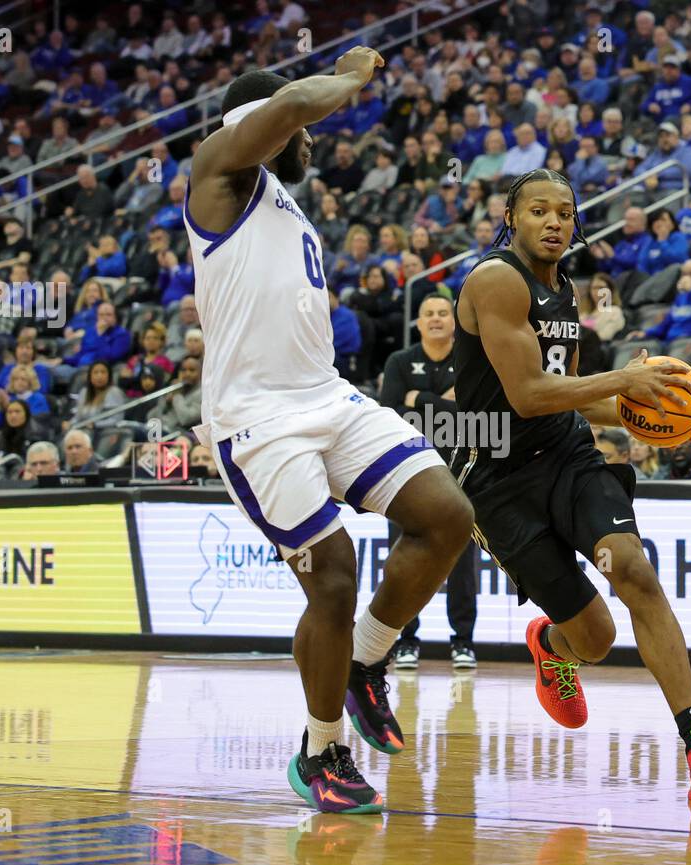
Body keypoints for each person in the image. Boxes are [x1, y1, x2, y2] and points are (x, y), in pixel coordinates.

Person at [183, 54, 474, 814]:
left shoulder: (281, 199)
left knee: (446, 516)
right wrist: (345, 76)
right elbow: (294, 109)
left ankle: (366, 662)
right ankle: (322, 750)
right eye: (297, 130)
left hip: (328, 399)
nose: (309, 141)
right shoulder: (218, 169)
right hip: (259, 422)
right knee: (334, 575)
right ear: (260, 124)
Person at [450, 167, 691, 801]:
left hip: (568, 458)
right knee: (596, 638)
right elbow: (530, 395)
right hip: (498, 479)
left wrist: (662, 420)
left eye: (566, 212)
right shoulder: (495, 280)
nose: (555, 222)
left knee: (635, 573)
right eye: (539, 211)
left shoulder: (564, 287)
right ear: (512, 219)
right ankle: (552, 645)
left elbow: (571, 401)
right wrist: (621, 382)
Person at [378, 293, 480, 670]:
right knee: (404, 562)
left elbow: (474, 415)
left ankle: (463, 641)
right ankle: (405, 641)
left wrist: (419, 398)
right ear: (418, 323)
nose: (436, 319)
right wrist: (444, 404)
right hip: (408, 475)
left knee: (463, 564)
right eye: (428, 314)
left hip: (461, 473)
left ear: (454, 321)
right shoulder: (399, 361)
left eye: (442, 313)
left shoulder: (472, 357)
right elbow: (390, 415)